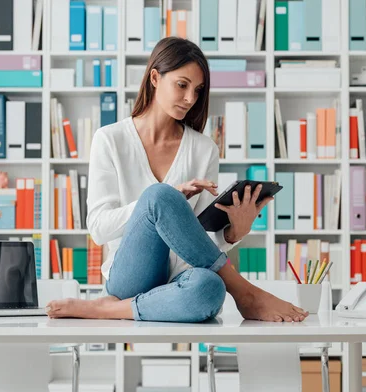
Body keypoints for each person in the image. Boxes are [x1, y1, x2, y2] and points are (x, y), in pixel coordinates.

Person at [45, 37, 308, 323]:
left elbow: (204, 239)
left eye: (197, 90)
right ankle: (244, 292)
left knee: (210, 289)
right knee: (160, 196)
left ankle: (106, 309)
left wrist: (234, 233)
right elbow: (98, 228)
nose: (190, 99)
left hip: (181, 280)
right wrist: (158, 205)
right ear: (155, 78)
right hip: (131, 276)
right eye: (182, 85)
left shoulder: (203, 148)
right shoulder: (110, 139)